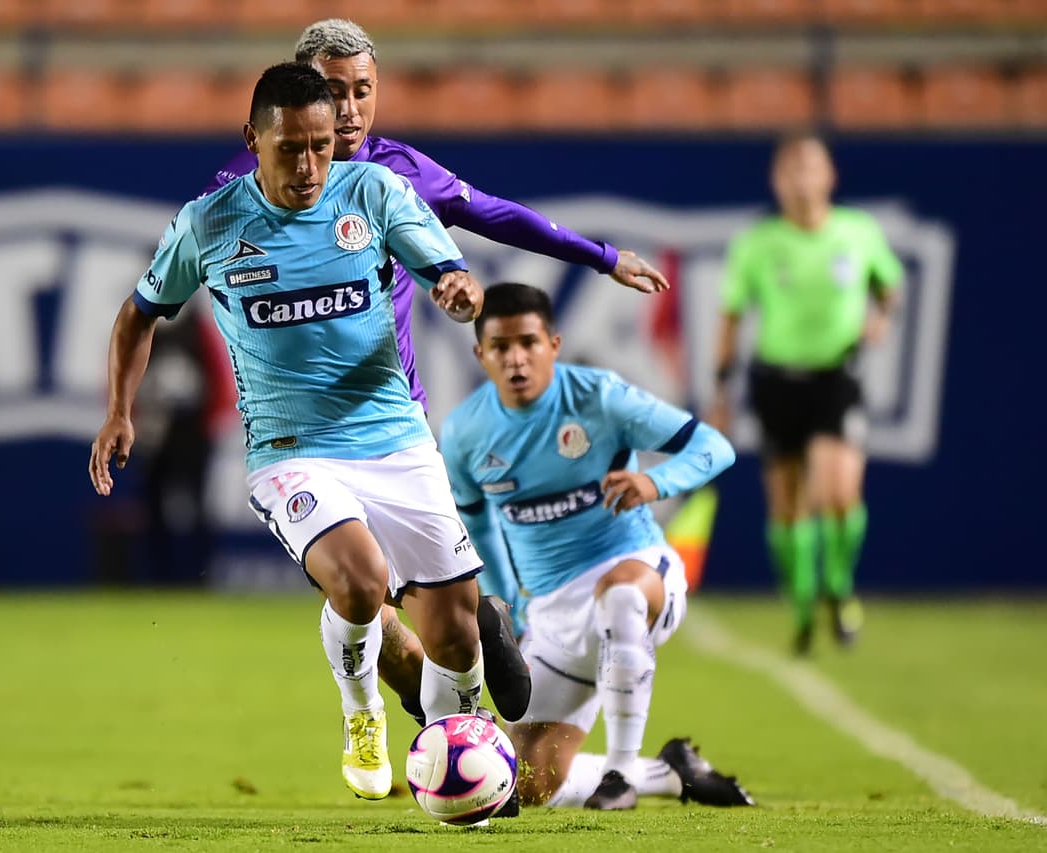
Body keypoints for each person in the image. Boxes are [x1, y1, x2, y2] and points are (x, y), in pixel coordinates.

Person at [200, 17, 669, 727]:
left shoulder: (397, 173)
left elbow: (495, 215)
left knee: (383, 602)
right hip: (302, 438)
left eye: (363, 91)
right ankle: (455, 703)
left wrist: (601, 257)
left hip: (390, 424)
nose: (349, 109)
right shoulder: (247, 186)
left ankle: (459, 678)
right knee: (368, 604)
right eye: (333, 91)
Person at [89, 62, 490, 802]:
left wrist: (459, 290)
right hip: (290, 451)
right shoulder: (208, 223)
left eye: (321, 146)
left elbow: (447, 271)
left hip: (395, 438)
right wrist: (120, 409)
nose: (309, 166)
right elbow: (139, 314)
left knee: (459, 635)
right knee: (362, 580)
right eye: (290, 148)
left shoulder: (373, 192)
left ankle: (457, 766)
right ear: (253, 140)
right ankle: (361, 711)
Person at [440, 283, 753, 811]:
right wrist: (505, 609)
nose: (516, 359)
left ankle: (621, 773)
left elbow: (714, 446)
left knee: (620, 596)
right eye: (500, 347)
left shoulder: (600, 398)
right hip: (553, 613)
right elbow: (478, 526)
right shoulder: (465, 432)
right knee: (529, 782)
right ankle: (669, 772)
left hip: (637, 568)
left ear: (554, 344)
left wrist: (655, 482)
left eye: (528, 342)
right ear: (480, 354)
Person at [709, 132, 904, 655]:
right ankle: (801, 608)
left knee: (839, 494)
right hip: (776, 380)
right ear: (776, 181)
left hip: (837, 377)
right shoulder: (758, 242)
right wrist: (721, 389)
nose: (800, 180)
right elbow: (731, 316)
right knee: (788, 505)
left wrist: (882, 317)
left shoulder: (858, 232)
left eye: (810, 168)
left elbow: (889, 287)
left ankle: (838, 586)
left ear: (829, 176)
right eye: (790, 170)